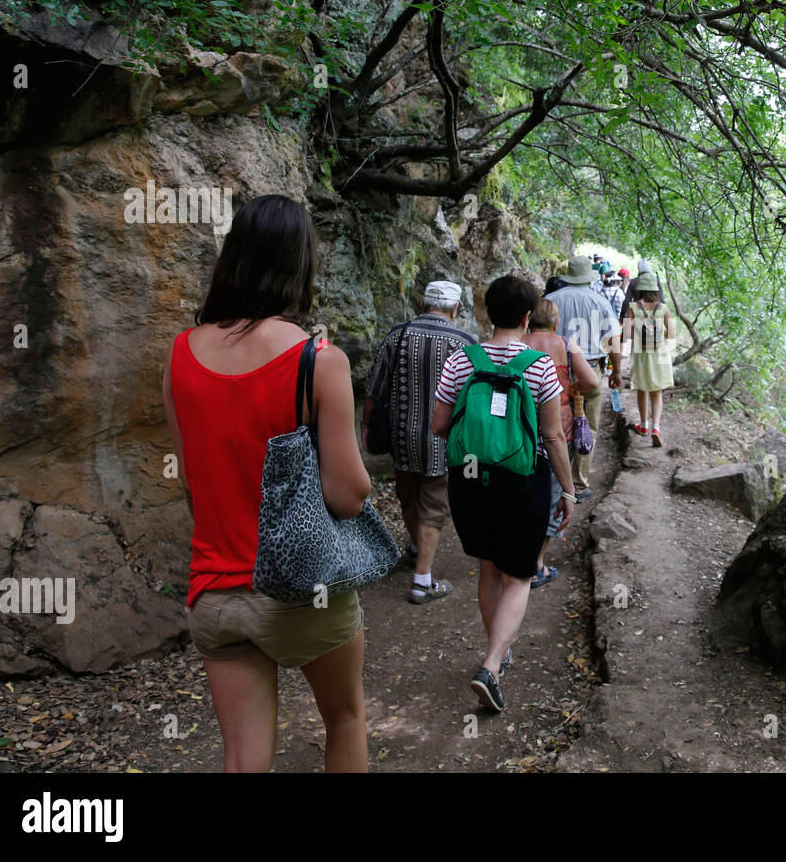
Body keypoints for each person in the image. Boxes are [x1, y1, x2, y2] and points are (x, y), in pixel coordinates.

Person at [163, 194, 371, 772]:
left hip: (214, 596)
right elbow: (348, 494)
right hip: (301, 594)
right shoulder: (319, 361)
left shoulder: (181, 353)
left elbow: (192, 484)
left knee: (243, 759)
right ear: (300, 265)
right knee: (346, 719)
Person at [431, 276, 577, 712]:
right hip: (522, 480)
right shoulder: (538, 365)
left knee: (489, 569)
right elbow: (552, 437)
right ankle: (492, 664)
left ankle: (499, 650)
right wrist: (567, 490)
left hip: (470, 479)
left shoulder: (461, 361)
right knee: (520, 575)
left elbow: (440, 426)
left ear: (485, 314)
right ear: (528, 317)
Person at [362, 280, 476, 605]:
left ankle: (415, 547)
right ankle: (422, 581)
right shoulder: (465, 343)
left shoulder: (397, 334)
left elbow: (374, 389)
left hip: (401, 436)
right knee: (434, 504)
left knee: (408, 496)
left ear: (423, 304)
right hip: (441, 439)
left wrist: (365, 425)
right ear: (455, 309)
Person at [523, 297, 599, 588]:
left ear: (528, 319)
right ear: (556, 323)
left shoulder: (519, 343)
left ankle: (519, 551)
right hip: (559, 427)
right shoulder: (566, 345)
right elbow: (591, 382)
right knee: (554, 495)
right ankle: (536, 564)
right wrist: (569, 386)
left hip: (522, 427)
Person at [546, 255, 622, 500]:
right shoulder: (600, 302)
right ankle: (578, 484)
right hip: (589, 370)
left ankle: (553, 478)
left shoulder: (550, 301)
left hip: (553, 369)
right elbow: (613, 340)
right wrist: (616, 371)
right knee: (588, 426)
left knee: (552, 425)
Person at [628, 271, 676, 447]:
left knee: (642, 389)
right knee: (657, 392)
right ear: (656, 289)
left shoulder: (633, 308)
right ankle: (656, 427)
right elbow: (671, 334)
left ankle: (643, 425)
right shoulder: (664, 309)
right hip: (660, 354)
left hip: (641, 354)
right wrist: (658, 332)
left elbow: (626, 333)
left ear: (639, 289)